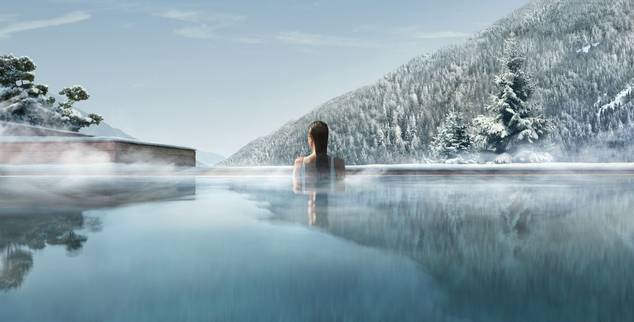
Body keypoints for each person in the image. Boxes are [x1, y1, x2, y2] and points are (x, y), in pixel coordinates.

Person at [293, 121, 345, 192]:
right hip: (331, 203)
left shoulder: (299, 163)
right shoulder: (338, 164)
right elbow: (340, 191)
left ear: (310, 139)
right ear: (326, 139)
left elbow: (297, 190)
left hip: (309, 202)